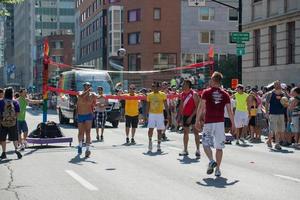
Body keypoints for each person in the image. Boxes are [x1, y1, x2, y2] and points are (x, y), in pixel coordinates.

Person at [195, 72, 235, 177]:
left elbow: (201, 107)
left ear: (213, 80)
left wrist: (197, 120)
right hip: (220, 123)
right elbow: (230, 111)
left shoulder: (206, 92)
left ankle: (212, 160)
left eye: (211, 79)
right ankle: (217, 169)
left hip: (209, 122)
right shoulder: (225, 94)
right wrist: (233, 124)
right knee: (219, 147)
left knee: (205, 143)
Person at [179, 80, 201, 158]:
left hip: (193, 115)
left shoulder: (194, 94)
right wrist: (180, 117)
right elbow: (181, 106)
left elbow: (198, 107)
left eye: (184, 84)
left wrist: (191, 117)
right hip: (185, 115)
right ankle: (185, 150)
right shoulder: (182, 94)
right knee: (185, 132)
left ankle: (198, 150)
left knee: (196, 132)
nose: (182, 86)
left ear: (188, 85)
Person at [146, 82, 169, 153]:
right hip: (152, 114)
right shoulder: (149, 95)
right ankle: (150, 142)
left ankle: (159, 145)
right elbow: (148, 105)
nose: (154, 88)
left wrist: (168, 114)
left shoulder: (163, 94)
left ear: (158, 87)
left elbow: (165, 105)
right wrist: (146, 115)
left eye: (155, 86)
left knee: (159, 130)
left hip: (160, 114)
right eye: (153, 87)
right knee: (150, 129)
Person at [0, 87, 22, 160]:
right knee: (14, 137)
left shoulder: (1, 102)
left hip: (3, 122)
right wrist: (14, 118)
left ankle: (4, 153)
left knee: (3, 138)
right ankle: (16, 149)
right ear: (12, 93)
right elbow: (18, 112)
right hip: (13, 122)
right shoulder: (15, 102)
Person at [77, 82, 97, 157]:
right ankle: (80, 145)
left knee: (88, 132)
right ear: (83, 86)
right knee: (80, 132)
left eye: (89, 86)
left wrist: (97, 103)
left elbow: (96, 101)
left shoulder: (93, 94)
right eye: (86, 85)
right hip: (80, 114)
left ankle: (87, 149)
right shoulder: (80, 92)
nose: (87, 87)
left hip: (88, 114)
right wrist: (87, 91)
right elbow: (81, 96)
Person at [265, 80, 286, 150]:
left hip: (281, 113)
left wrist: (285, 104)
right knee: (273, 130)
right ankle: (270, 141)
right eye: (276, 84)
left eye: (279, 84)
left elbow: (286, 103)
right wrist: (266, 113)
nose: (278, 85)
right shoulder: (270, 94)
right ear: (274, 85)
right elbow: (267, 103)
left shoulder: (283, 93)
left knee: (279, 130)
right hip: (273, 114)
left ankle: (277, 143)